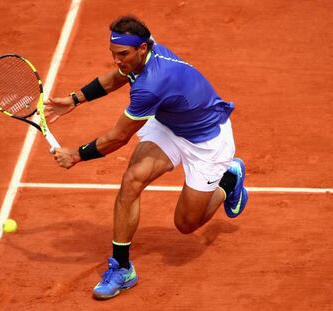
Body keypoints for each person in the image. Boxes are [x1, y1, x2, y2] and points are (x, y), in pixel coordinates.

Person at [44, 15, 248, 300]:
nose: (117, 61)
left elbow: (117, 137)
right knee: (132, 181)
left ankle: (228, 180)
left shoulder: (152, 85)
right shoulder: (143, 57)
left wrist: (77, 155)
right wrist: (75, 98)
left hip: (207, 141)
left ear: (142, 49)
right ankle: (122, 268)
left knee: (186, 225)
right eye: (113, 54)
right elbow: (117, 77)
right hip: (170, 124)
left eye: (123, 54)